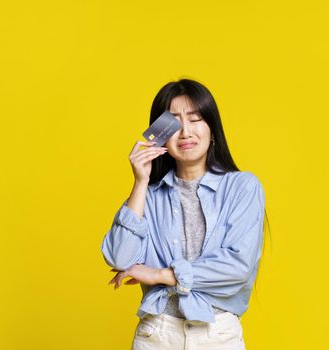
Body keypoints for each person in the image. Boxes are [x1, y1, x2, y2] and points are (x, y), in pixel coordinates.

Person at [100, 78, 267, 350]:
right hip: (157, 334)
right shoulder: (148, 197)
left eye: (196, 118)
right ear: (161, 133)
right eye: (174, 122)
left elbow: (238, 267)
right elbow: (120, 258)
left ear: (212, 129)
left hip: (218, 334)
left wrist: (161, 275)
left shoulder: (242, 187)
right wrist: (140, 182)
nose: (186, 131)